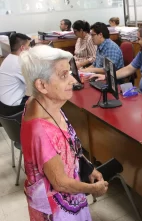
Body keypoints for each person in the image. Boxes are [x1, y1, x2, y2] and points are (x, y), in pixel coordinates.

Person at [19, 45, 108, 220]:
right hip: (56, 209)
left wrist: (88, 167)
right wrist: (93, 189)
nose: (73, 81)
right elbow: (61, 184)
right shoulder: (41, 131)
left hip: (70, 196)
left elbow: (69, 146)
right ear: (42, 85)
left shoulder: (47, 102)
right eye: (64, 76)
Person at [0, 33, 31, 109]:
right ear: (22, 48)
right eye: (28, 46)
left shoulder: (9, 58)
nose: (30, 48)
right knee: (43, 98)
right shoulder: (19, 63)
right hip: (12, 105)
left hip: (4, 102)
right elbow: (33, 84)